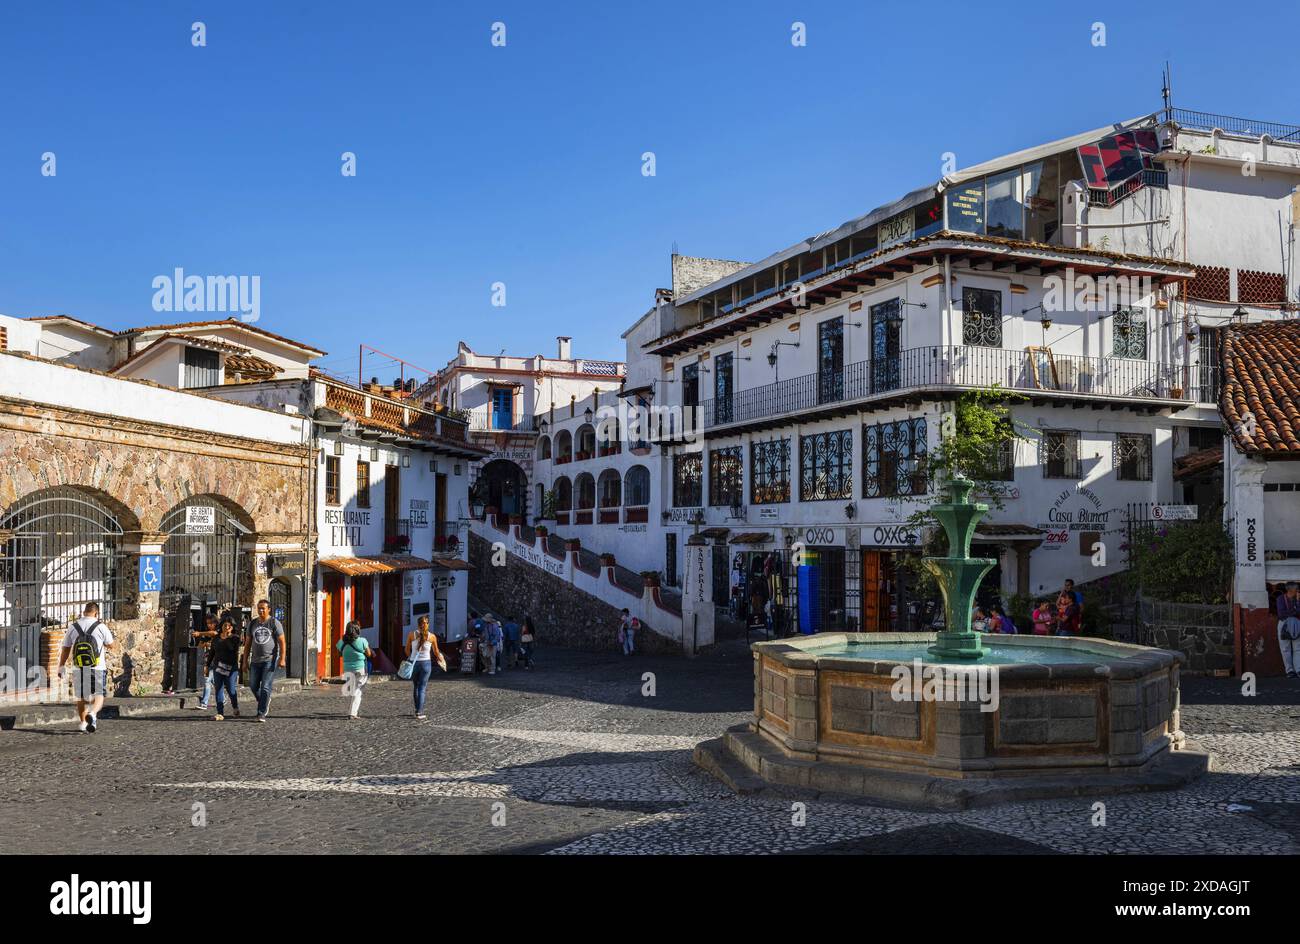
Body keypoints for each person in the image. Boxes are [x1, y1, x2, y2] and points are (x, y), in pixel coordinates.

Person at [57, 603, 114, 734]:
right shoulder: (101, 626)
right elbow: (111, 645)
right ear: (96, 613)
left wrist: (61, 665)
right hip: (97, 666)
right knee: (99, 694)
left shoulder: (73, 626)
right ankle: (93, 713)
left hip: (79, 666)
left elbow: (66, 648)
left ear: (84, 612)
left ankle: (83, 722)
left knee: (81, 696)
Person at [241, 599, 285, 722]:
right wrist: (244, 661)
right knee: (253, 685)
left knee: (266, 686)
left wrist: (282, 658)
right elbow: (248, 643)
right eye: (259, 608)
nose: (260, 610)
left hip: (269, 659)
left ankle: (261, 713)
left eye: (263, 608)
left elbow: (282, 641)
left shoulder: (274, 623)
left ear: (268, 609)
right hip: (255, 660)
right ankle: (264, 701)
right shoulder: (253, 623)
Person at [405, 615, 445, 719]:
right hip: (426, 664)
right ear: (428, 624)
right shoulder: (432, 637)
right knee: (422, 688)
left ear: (418, 624)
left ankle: (416, 709)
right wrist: (441, 659)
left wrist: (411, 657)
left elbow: (406, 650)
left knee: (416, 687)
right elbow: (436, 652)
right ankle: (420, 711)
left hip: (414, 663)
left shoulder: (411, 635)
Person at [337, 620, 374, 718]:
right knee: (358, 690)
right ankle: (352, 713)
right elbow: (369, 654)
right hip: (360, 669)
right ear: (357, 630)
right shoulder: (362, 641)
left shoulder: (341, 642)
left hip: (347, 669)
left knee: (354, 689)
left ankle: (352, 710)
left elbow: (339, 654)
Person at [208, 617, 242, 721]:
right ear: (221, 626)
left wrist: (227, 638)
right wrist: (207, 665)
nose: (226, 627)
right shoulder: (216, 638)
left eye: (229, 626)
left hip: (231, 668)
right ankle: (220, 712)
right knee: (219, 688)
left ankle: (235, 707)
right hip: (218, 666)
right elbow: (212, 653)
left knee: (231, 689)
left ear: (232, 627)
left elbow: (234, 651)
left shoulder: (235, 638)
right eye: (224, 625)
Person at [190, 613, 219, 710]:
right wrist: (204, 644)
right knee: (213, 681)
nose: (209, 625)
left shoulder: (218, 631)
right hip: (208, 661)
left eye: (211, 623)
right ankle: (222, 699)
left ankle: (204, 703)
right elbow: (200, 646)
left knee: (207, 680)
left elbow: (214, 634)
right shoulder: (205, 635)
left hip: (218, 659)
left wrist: (200, 633)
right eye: (208, 623)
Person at [1277, 583, 1300, 678]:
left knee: (1298, 648)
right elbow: (1281, 614)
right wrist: (1295, 610)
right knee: (1285, 648)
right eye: (1297, 589)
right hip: (1284, 624)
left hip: (1297, 623)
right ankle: (1290, 671)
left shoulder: (1298, 599)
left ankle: (1298, 669)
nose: (1298, 591)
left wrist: (1298, 603)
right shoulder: (1281, 599)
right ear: (1290, 590)